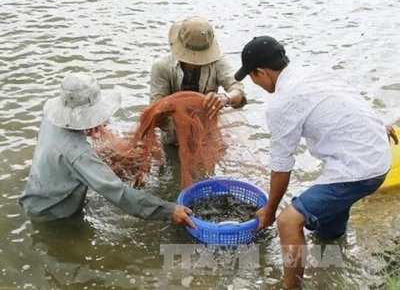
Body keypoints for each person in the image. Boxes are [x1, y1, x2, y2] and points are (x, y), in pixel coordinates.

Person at [234, 35, 399, 289]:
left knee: (288, 221)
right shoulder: (314, 71)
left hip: (360, 168)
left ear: (260, 72)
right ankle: (334, 253)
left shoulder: (281, 103)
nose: (255, 83)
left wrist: (269, 212)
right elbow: (351, 101)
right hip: (376, 152)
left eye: (252, 77)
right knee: (328, 230)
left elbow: (281, 166)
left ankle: (291, 287)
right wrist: (377, 126)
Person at [19, 73, 196, 228]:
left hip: (34, 198)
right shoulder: (78, 154)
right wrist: (168, 211)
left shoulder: (50, 119)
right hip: (54, 217)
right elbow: (119, 193)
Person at [150, 16, 247, 144]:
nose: (193, 64)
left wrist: (225, 98)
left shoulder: (219, 62)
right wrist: (168, 111)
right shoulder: (161, 66)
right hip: (172, 139)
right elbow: (156, 108)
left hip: (207, 137)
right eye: (188, 58)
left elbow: (238, 91)